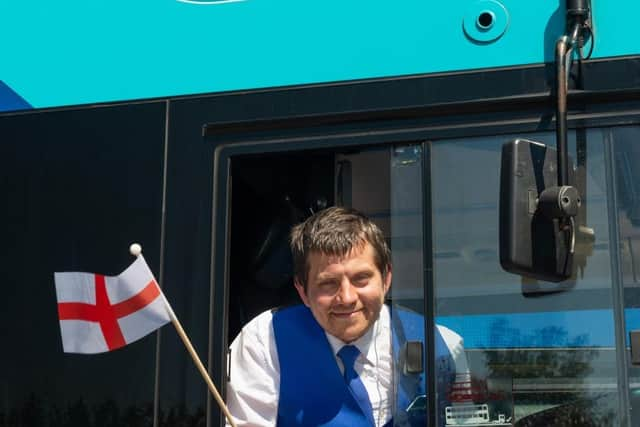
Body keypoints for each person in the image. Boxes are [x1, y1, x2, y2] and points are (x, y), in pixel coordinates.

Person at [226, 207, 468, 426]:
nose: (347, 297)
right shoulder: (264, 341)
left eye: (361, 279)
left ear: (386, 279)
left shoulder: (443, 344)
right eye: (328, 283)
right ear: (302, 290)